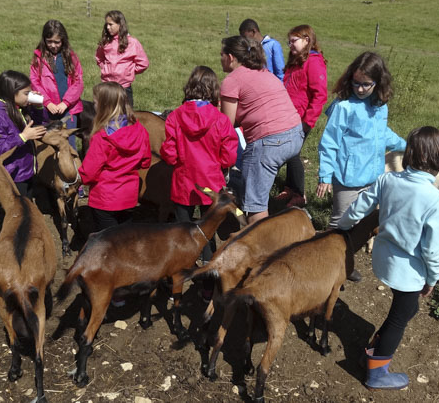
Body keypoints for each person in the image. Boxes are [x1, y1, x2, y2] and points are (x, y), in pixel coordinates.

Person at [338, 126, 439, 390]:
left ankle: (377, 342)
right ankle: (377, 374)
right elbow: (433, 249)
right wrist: (433, 278)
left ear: (409, 154)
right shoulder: (436, 199)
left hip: (383, 258)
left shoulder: (388, 180)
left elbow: (360, 206)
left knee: (406, 309)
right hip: (409, 272)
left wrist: (341, 226)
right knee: (400, 318)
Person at [316, 51, 406, 281]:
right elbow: (329, 142)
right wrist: (326, 175)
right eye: (356, 83)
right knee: (340, 223)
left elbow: (381, 134)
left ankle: (345, 263)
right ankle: (326, 267)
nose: (361, 89)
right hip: (346, 178)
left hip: (373, 176)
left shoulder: (379, 106)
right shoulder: (344, 106)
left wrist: (406, 145)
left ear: (378, 82)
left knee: (363, 224)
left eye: (367, 84)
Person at [160, 66, 238, 300]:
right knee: (207, 234)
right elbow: (228, 157)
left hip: (183, 184)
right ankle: (207, 285)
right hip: (210, 187)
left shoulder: (175, 116)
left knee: (183, 234)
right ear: (213, 90)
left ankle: (177, 284)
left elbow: (170, 155)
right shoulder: (221, 120)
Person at [219, 35, 303, 224]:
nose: (220, 59)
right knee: (252, 178)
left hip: (270, 142)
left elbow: (227, 124)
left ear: (231, 57)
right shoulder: (264, 72)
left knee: (255, 204)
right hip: (295, 133)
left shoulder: (231, 81)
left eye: (222, 55)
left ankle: (261, 244)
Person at [78, 82, 151, 232]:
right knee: (124, 239)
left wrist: (78, 178)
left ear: (104, 105)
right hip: (129, 196)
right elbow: (145, 161)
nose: (94, 106)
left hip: (104, 198)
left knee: (108, 242)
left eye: (96, 102)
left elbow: (89, 173)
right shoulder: (140, 130)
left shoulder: (101, 137)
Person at [276, 24, 328, 207]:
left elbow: (320, 95)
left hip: (300, 119)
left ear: (307, 40)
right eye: (288, 41)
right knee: (290, 152)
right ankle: (291, 188)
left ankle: (299, 193)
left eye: (294, 41)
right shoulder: (296, 61)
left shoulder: (313, 62)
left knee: (292, 153)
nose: (290, 45)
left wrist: (308, 121)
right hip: (287, 117)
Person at [0, 70, 47, 199]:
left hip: (26, 171)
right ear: (12, 92)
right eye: (26, 93)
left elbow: (41, 123)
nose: (29, 96)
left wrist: (38, 108)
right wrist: (23, 137)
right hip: (13, 177)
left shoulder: (17, 108)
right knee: (19, 214)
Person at [30, 19, 84, 150]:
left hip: (69, 110)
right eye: (49, 42)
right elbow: (34, 81)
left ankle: (73, 169)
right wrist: (47, 102)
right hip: (47, 110)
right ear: (44, 40)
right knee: (48, 144)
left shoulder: (71, 57)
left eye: (57, 42)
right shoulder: (38, 58)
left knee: (69, 144)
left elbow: (78, 82)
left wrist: (65, 102)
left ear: (63, 40)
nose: (53, 45)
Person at [95, 10, 149, 108]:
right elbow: (99, 58)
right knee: (105, 116)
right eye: (106, 24)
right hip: (107, 87)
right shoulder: (105, 42)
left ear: (120, 24)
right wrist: (106, 68)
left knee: (126, 117)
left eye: (111, 24)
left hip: (124, 88)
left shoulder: (132, 43)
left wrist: (129, 71)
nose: (108, 27)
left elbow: (143, 63)